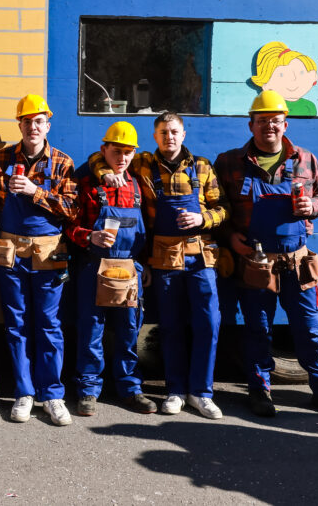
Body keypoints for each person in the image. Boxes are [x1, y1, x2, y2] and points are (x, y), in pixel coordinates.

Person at [213, 90, 318, 420]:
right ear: (251, 125)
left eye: (276, 120)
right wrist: (229, 237)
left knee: (309, 330)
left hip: (297, 262)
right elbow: (214, 206)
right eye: (262, 120)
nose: (270, 126)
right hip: (256, 263)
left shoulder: (305, 159)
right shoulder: (229, 162)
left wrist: (315, 205)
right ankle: (259, 391)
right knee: (257, 330)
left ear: (285, 124)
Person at [89, 112, 229, 419]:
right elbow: (99, 157)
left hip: (200, 257)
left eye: (174, 131)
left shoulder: (202, 166)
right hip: (164, 257)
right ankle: (175, 391)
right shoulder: (143, 164)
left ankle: (202, 393)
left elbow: (222, 208)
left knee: (208, 324)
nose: (169, 137)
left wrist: (203, 218)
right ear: (155, 137)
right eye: (163, 132)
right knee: (170, 325)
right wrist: (105, 174)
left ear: (183, 134)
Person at [0, 94, 78, 426]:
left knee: (49, 324)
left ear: (47, 125)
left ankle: (52, 394)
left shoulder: (62, 162)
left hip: (48, 253)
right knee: (16, 324)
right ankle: (24, 393)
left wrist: (34, 192)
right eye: (27, 121)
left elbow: (72, 209)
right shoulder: (0, 158)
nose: (33, 127)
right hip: (10, 252)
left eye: (39, 121)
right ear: (20, 125)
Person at [66, 121, 156, 417]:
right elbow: (69, 225)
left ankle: (130, 388)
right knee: (91, 330)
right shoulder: (88, 183)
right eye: (117, 151)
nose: (123, 157)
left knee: (129, 331)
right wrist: (89, 236)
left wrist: (146, 264)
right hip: (94, 266)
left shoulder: (138, 185)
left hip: (130, 268)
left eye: (128, 152)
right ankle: (88, 390)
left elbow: (147, 229)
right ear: (104, 149)